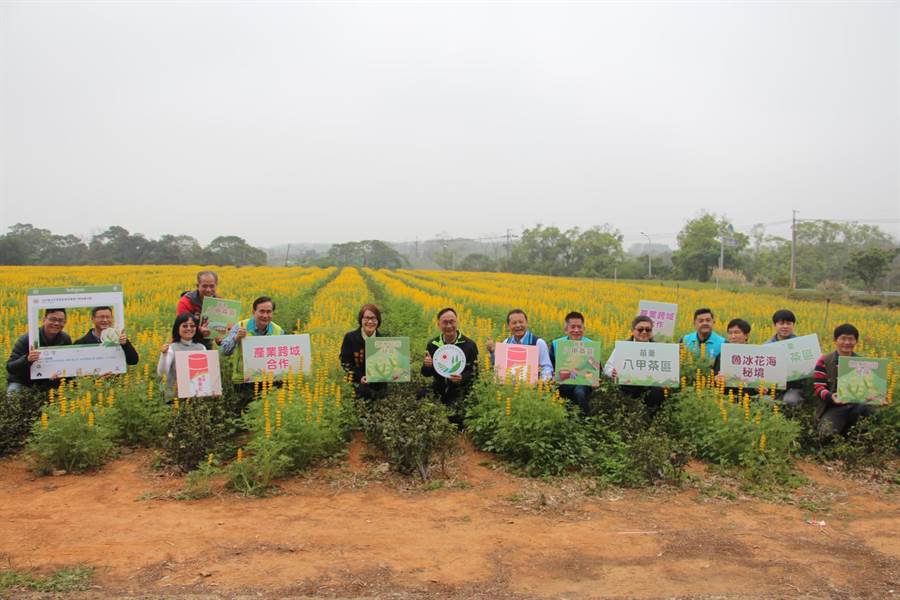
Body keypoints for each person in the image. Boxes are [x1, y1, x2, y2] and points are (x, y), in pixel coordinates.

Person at [813, 323, 877, 438]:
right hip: (834, 406)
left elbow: (870, 388)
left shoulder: (863, 363)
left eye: (851, 339)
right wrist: (831, 396)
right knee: (825, 435)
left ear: (856, 341)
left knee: (869, 412)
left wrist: (875, 397)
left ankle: (856, 436)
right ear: (835, 340)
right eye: (843, 339)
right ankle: (841, 431)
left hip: (857, 405)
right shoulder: (824, 361)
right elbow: (819, 387)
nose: (847, 343)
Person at [220, 296, 285, 405]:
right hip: (244, 380)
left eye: (269, 312)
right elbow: (224, 351)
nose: (265, 315)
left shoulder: (278, 331)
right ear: (253, 312)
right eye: (262, 311)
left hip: (270, 380)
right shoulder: (240, 326)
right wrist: (236, 338)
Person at [421, 308, 479, 424]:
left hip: (460, 390)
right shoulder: (433, 344)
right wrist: (427, 365)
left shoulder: (469, 345)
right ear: (438, 324)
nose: (449, 326)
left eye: (452, 322)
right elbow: (426, 374)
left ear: (457, 322)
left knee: (455, 418)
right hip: (439, 386)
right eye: (445, 322)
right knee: (421, 399)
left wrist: (462, 378)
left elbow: (475, 372)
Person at [603, 315, 666, 415]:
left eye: (648, 329)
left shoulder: (658, 348)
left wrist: (666, 379)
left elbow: (665, 368)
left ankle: (650, 418)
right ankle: (625, 416)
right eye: (640, 329)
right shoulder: (624, 347)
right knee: (622, 389)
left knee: (657, 391)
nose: (644, 332)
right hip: (628, 384)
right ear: (633, 331)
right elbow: (607, 367)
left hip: (650, 385)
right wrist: (612, 372)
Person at [6, 308, 73, 396]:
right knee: (12, 399)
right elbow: (10, 367)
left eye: (60, 320)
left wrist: (60, 375)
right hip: (22, 381)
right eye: (52, 319)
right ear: (44, 320)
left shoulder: (65, 339)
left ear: (64, 323)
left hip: (47, 381)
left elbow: (68, 364)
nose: (56, 323)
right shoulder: (27, 339)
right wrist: (27, 359)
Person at [548, 311, 599, 415]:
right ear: (566, 330)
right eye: (573, 327)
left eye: (579, 327)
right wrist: (552, 376)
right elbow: (551, 365)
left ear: (584, 329)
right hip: (563, 381)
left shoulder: (590, 345)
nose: (576, 330)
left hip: (583, 383)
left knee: (579, 392)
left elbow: (597, 369)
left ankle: (585, 421)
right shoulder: (557, 344)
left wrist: (595, 380)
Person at [486, 309, 553, 382]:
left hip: (531, 389)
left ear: (527, 323)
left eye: (521, 322)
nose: (518, 325)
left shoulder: (538, 343)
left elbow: (546, 367)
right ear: (509, 326)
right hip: (509, 387)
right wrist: (492, 351)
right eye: (514, 323)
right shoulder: (506, 343)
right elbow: (499, 368)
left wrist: (541, 383)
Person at [340, 303, 388, 402]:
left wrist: (401, 362)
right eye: (366, 318)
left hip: (378, 386)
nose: (370, 321)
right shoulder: (350, 338)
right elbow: (346, 362)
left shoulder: (384, 340)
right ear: (361, 320)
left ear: (378, 321)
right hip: (357, 383)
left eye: (373, 318)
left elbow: (388, 364)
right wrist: (360, 377)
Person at [156, 313, 208, 400]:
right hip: (175, 398)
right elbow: (161, 373)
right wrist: (164, 355)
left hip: (196, 396)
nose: (189, 328)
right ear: (177, 328)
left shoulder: (201, 348)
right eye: (184, 326)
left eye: (192, 326)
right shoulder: (171, 348)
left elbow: (205, 374)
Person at [764, 309, 805, 407]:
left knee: (790, 401)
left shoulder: (801, 345)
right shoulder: (766, 346)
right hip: (772, 387)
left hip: (794, 387)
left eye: (788, 323)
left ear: (793, 325)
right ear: (775, 325)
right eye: (781, 323)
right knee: (765, 401)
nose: (785, 326)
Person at [73, 306, 139, 366]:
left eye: (108, 317)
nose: (105, 320)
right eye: (101, 317)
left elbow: (133, 361)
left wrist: (125, 344)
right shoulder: (80, 343)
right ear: (92, 319)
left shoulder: (119, 339)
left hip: (114, 379)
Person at [176, 270, 216, 346]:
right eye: (204, 286)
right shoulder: (185, 302)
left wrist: (220, 337)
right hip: (184, 344)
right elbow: (182, 328)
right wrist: (199, 330)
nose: (208, 290)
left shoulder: (218, 301)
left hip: (206, 344)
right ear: (198, 286)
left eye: (212, 286)